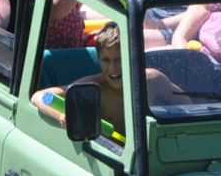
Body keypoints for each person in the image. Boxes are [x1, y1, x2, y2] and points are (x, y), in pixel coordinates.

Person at [42, 22, 189, 138]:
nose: (113, 68)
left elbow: (187, 106)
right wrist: (63, 116)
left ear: (135, 57)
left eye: (119, 59)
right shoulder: (92, 87)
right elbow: (41, 97)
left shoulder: (153, 80)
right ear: (98, 60)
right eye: (106, 60)